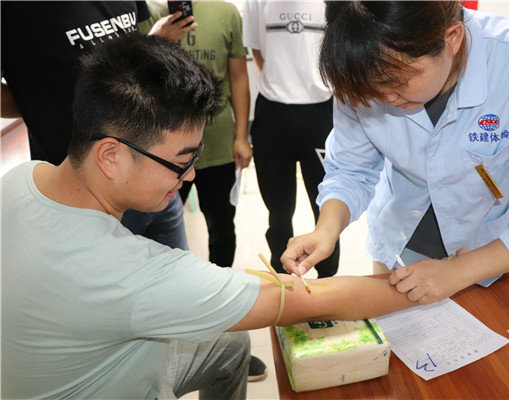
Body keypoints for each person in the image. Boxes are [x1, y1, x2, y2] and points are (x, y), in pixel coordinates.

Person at [1, 34, 416, 399]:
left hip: (68, 362)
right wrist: (435, 282)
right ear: (111, 156)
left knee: (229, 345)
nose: (191, 175)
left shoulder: (23, 178)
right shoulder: (131, 272)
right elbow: (310, 300)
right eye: (181, 161)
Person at [282, 1, 509, 305]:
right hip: (400, 240)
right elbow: (351, 169)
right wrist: (326, 229)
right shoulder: (360, 67)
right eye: (370, 90)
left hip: (498, 250)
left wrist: (458, 271)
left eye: (395, 82)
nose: (385, 98)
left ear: (452, 38)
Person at [0, 1, 196, 250]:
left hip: (156, 176)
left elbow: (119, 60)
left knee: (176, 270)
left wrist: (154, 40)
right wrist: (38, 102)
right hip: (86, 197)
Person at [138, 0, 261, 382]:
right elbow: (133, 84)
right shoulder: (147, 14)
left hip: (219, 145)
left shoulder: (225, 13)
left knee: (222, 230)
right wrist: (158, 40)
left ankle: (219, 325)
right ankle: (167, 333)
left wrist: (242, 135)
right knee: (157, 243)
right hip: (160, 154)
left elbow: (238, 76)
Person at [243, 0, 340, 277]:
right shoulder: (256, 2)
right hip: (273, 113)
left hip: (321, 112)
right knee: (278, 212)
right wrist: (286, 84)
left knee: (326, 208)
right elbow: (257, 52)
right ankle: (282, 278)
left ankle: (328, 280)